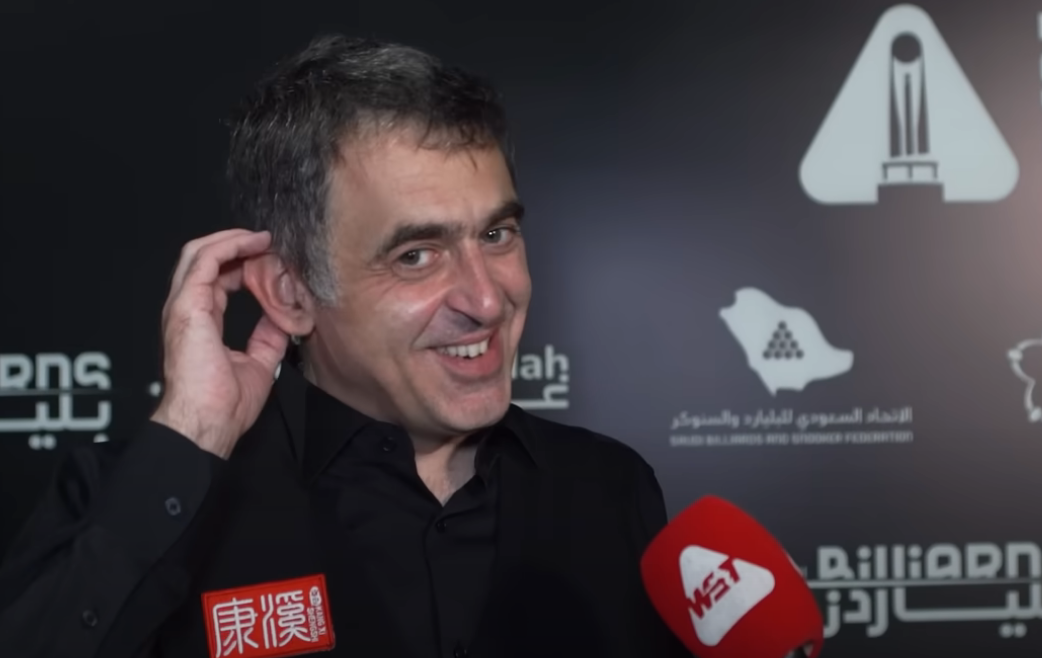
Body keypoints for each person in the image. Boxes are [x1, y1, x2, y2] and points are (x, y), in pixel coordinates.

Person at [0, 35, 690, 658]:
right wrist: (194, 431)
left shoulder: (609, 488)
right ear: (291, 294)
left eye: (495, 235)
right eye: (416, 255)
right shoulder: (137, 505)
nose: (486, 300)